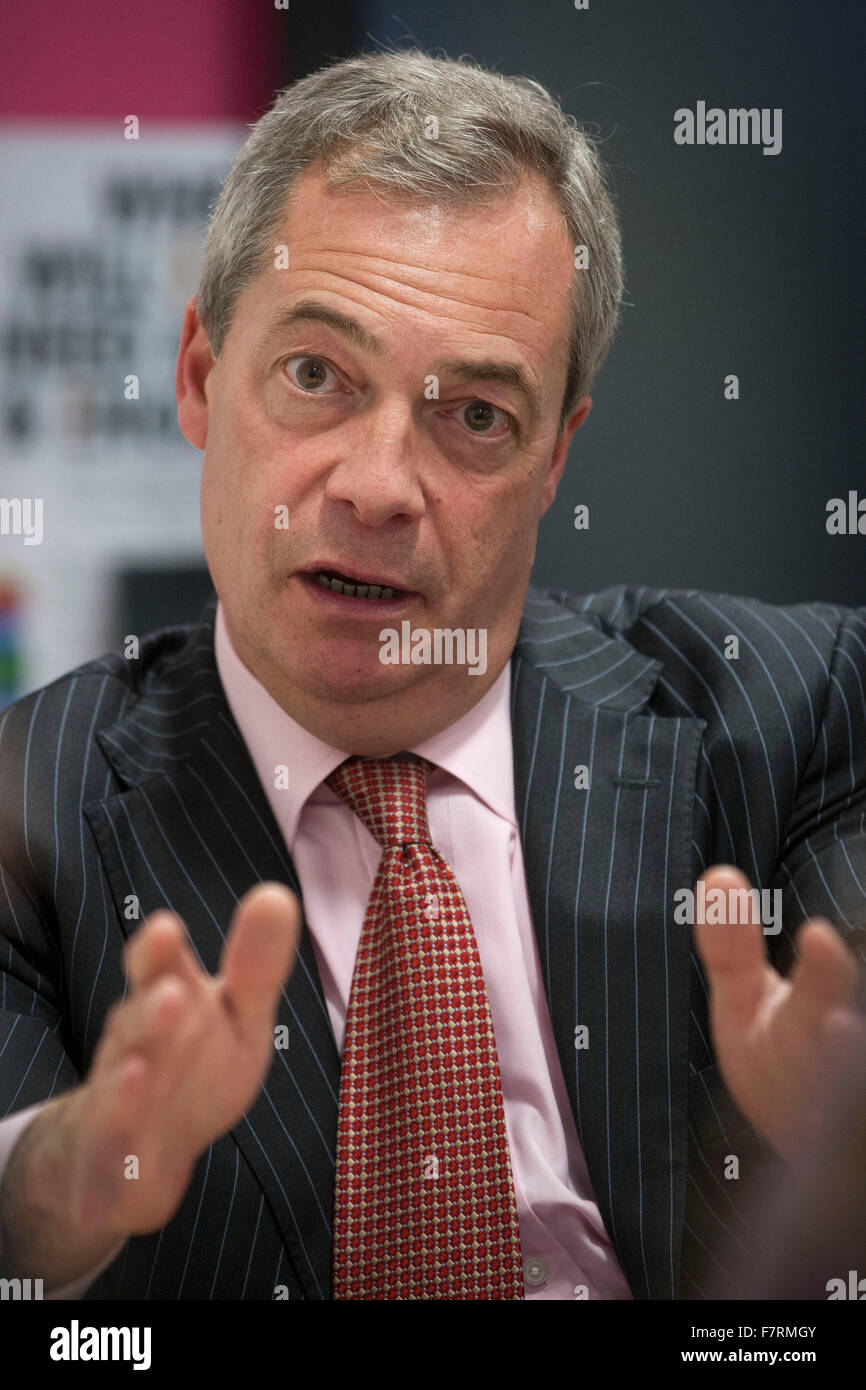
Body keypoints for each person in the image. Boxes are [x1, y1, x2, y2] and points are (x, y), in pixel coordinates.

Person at [0, 48, 863, 1302]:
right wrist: (69, 1176)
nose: (376, 485)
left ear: (556, 454)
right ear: (198, 376)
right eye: (314, 377)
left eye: (472, 418)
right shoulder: (31, 816)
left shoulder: (790, 712)